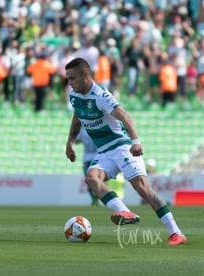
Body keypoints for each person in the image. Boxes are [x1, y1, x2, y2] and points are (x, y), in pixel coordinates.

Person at [64, 57, 187, 245]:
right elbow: (77, 117)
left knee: (142, 188)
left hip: (121, 145)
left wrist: (135, 141)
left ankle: (176, 232)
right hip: (104, 150)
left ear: (85, 75)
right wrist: (70, 142)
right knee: (91, 178)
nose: (70, 83)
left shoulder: (101, 95)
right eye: (68, 79)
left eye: (72, 78)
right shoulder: (75, 96)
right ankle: (124, 211)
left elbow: (124, 116)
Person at [75, 128, 98, 206]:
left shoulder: (99, 125)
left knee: (98, 180)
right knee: (88, 181)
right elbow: (76, 141)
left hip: (98, 157)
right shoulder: (82, 129)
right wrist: (81, 140)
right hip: (87, 158)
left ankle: (97, 198)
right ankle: (94, 199)